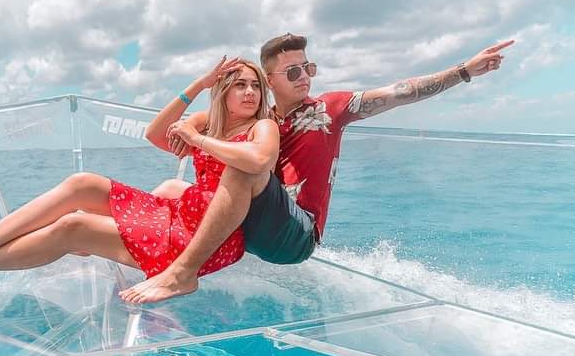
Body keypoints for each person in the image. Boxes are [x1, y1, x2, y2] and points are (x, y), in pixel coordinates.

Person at [119, 33, 515, 304]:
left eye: (308, 68)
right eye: (292, 72)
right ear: (269, 80)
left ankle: (180, 273)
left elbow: (399, 92)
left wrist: (463, 71)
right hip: (248, 223)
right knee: (171, 189)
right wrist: (193, 116)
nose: (304, 77)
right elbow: (160, 136)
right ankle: (134, 244)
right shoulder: (254, 117)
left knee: (243, 168)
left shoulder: (329, 108)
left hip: (293, 233)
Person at [0, 58, 279, 283]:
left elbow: (259, 160)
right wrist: (199, 83)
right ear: (222, 91)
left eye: (255, 86)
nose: (249, 93)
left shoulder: (261, 127)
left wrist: (199, 142)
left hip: (207, 238)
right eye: (238, 84)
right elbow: (156, 134)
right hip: (180, 214)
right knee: (82, 184)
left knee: (73, 226)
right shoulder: (208, 122)